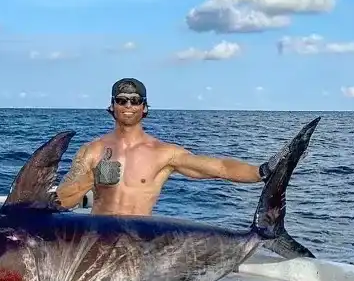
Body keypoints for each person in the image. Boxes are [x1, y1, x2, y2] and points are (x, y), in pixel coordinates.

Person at [56, 77, 274, 217]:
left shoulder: (164, 153)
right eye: (122, 101)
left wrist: (261, 171)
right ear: (112, 106)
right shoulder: (92, 151)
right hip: (98, 242)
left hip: (138, 242)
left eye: (135, 100)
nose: (128, 106)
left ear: (145, 107)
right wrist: (90, 178)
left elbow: (221, 168)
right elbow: (64, 201)